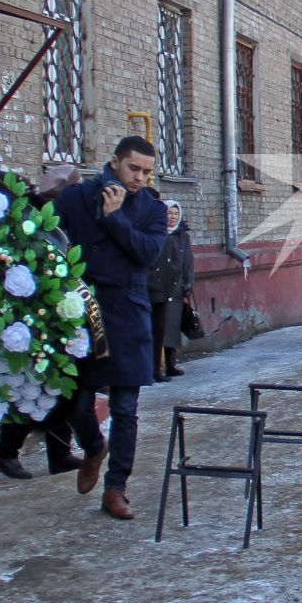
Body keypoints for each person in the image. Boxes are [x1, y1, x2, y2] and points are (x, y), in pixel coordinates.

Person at [57, 136, 170, 521]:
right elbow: (48, 231)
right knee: (72, 399)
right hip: (80, 310)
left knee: (125, 407)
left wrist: (117, 218)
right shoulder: (78, 198)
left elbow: (148, 253)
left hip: (128, 311)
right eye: (133, 168)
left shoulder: (152, 209)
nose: (139, 177)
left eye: (146, 171)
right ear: (114, 162)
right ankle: (92, 445)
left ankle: (116, 487)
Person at [0, 164, 86, 480]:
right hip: (35, 318)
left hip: (55, 315)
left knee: (55, 387)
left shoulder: (53, 220)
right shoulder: (33, 222)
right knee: (35, 388)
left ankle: (59, 453)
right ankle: (4, 452)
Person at [149, 201, 194, 383]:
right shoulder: (158, 234)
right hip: (159, 286)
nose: (173, 216)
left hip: (177, 287)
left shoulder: (182, 235)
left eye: (176, 213)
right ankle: (154, 368)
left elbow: (188, 261)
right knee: (158, 328)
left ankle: (170, 365)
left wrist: (188, 283)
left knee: (173, 327)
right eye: (169, 212)